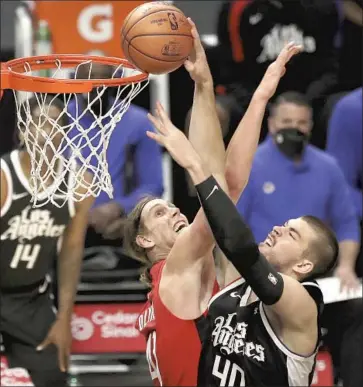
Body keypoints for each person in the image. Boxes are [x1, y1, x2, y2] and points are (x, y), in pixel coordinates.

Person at [124, 18, 301, 386]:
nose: (173, 209)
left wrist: (254, 97)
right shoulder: (175, 272)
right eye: (159, 212)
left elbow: (228, 184)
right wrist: (204, 86)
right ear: (145, 241)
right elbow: (224, 189)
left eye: (170, 206)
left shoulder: (197, 275)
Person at [146, 98, 339, 387]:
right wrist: (211, 87)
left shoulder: (303, 302)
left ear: (304, 263)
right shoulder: (236, 284)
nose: (277, 229)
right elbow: (227, 186)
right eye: (285, 225)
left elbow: (242, 248)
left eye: (292, 233)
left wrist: (194, 165)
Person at [0, 96, 94, 387]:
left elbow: (70, 252)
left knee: (53, 375)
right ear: (23, 132)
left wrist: (64, 317)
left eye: (56, 124)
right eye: (39, 123)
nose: (47, 131)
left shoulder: (79, 183)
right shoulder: (4, 178)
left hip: (31, 299)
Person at [236, 91, 361, 289]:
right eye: (287, 121)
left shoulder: (329, 167)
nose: (294, 128)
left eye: (301, 122)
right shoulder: (248, 165)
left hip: (317, 278)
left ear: (310, 126)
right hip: (258, 274)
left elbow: (347, 224)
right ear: (272, 124)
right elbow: (232, 228)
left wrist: (346, 266)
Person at [210, 0, 341, 147]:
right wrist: (263, 103)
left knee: (350, 110)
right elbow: (231, 74)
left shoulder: (322, 6)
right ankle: (201, 170)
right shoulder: (237, 8)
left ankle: (338, 169)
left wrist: (303, 103)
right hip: (255, 100)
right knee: (212, 114)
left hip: (313, 99)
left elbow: (331, 69)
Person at [67, 58, 164, 244]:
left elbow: (153, 186)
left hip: (118, 229)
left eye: (102, 79)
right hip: (66, 224)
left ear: (116, 80)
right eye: (88, 78)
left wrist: (118, 208)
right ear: (74, 80)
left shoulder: (139, 122)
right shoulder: (58, 121)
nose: (95, 85)